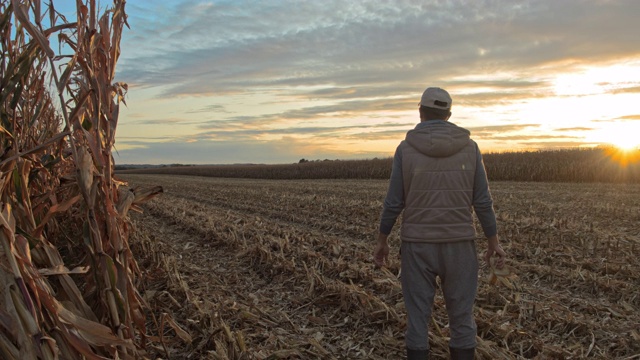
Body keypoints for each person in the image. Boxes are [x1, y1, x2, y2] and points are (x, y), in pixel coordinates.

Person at [373, 87, 506, 360]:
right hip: (460, 246)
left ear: (420, 112)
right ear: (449, 115)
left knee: (418, 320)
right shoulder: (470, 148)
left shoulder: (406, 149)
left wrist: (382, 239)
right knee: (461, 319)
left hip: (417, 246)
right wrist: (493, 241)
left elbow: (393, 201)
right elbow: (482, 200)